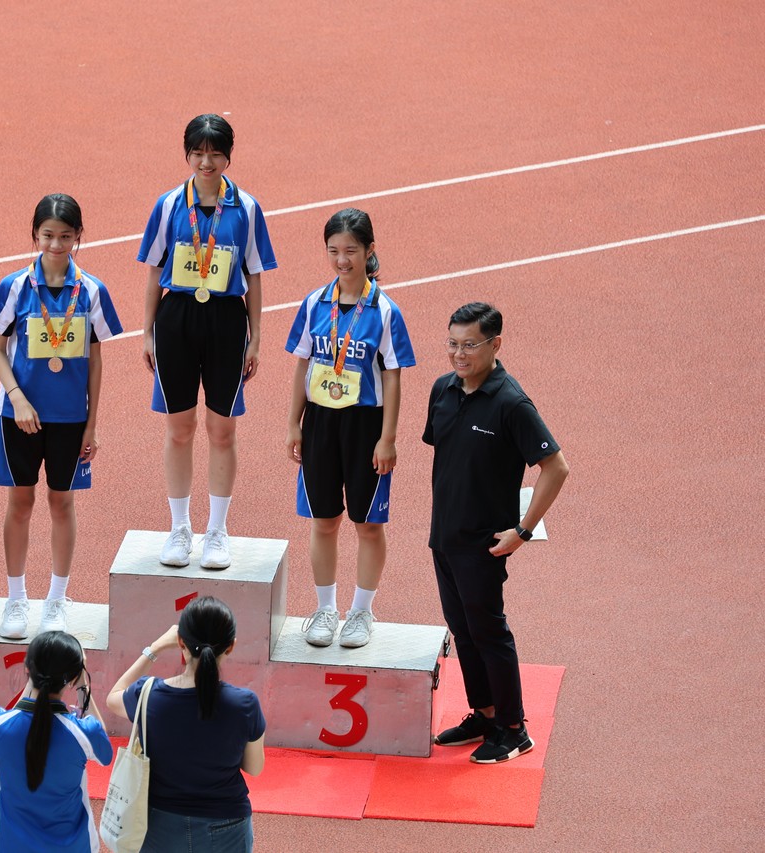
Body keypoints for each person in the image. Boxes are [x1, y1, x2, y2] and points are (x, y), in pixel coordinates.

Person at [424, 302, 569, 764]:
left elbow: (556, 467)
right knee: (463, 630)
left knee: (488, 632)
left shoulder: (511, 403)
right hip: (444, 536)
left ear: (495, 345)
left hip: (484, 544)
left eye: (470, 345)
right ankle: (485, 713)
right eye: (452, 343)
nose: (459, 354)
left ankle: (513, 729)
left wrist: (522, 532)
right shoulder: (443, 389)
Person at [0, 194, 123, 640]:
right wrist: (18, 399)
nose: (56, 245)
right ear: (35, 235)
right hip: (19, 416)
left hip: (69, 420)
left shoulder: (92, 291)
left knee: (62, 503)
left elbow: (95, 362)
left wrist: (92, 424)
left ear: (78, 236)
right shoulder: (15, 287)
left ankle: (57, 599)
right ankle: (16, 599)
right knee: (20, 503)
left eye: (65, 236)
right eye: (47, 236)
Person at [139, 114, 277, 570]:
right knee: (179, 429)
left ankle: (217, 531)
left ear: (228, 157)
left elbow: (254, 275)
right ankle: (180, 528)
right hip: (176, 318)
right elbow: (154, 272)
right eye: (197, 153)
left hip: (226, 320)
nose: (205, 162)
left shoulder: (247, 208)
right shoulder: (167, 205)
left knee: (222, 429)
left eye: (215, 153)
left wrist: (256, 337)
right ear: (187, 155)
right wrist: (146, 331)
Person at [285, 209, 416, 648]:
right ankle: (325, 609)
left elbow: (393, 376)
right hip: (320, 422)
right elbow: (303, 364)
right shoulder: (313, 304)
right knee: (323, 521)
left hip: (365, 426)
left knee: (368, 524)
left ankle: (361, 611)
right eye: (334, 251)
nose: (342, 260)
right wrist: (293, 423)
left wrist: (388, 438)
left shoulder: (385, 311)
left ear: (369, 250)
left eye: (351, 251)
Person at [107, 597, 265, 852]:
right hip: (226, 824)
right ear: (231, 646)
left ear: (181, 642)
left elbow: (113, 697)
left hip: (157, 825)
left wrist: (155, 648)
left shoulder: (148, 695)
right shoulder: (245, 703)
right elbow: (254, 768)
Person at [0, 631, 112, 853]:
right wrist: (82, 686)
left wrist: (33, 678)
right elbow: (105, 752)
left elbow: (6, 721)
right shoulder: (84, 732)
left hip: (11, 846)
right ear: (74, 676)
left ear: (27, 668)